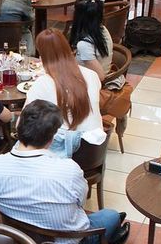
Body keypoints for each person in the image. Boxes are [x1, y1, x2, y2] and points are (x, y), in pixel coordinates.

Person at [0, 101, 126, 244]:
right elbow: (80, 202)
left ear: (18, 127)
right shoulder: (68, 170)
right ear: (51, 139)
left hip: (19, 243)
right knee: (111, 216)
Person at [25, 29, 105, 157]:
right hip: (94, 150)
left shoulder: (43, 83)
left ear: (42, 55)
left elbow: (23, 123)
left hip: (65, 150)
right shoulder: (92, 75)